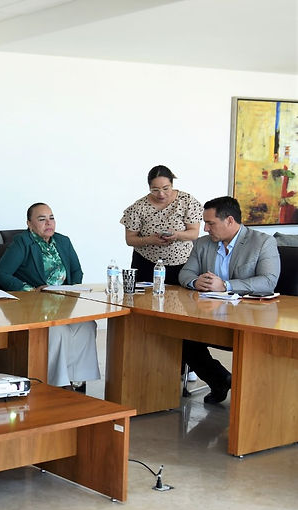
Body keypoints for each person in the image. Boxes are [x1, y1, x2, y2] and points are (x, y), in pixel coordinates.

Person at [178, 196, 280, 404]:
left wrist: (226, 285)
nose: (205, 228)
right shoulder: (202, 244)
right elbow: (185, 273)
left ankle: (255, 402)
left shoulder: (262, 242)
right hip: (208, 314)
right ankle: (220, 379)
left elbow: (268, 281)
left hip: (249, 318)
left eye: (211, 223)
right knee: (180, 334)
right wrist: (196, 281)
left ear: (230, 221)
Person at [0, 202, 99, 391]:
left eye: (51, 218)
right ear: (29, 223)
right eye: (41, 219)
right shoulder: (23, 242)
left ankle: (79, 379)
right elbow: (1, 274)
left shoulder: (63, 241)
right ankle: (59, 382)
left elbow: (76, 271)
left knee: (87, 325)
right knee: (56, 330)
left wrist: (73, 291)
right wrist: (31, 290)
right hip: (34, 306)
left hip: (64, 302)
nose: (48, 223)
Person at [120, 165, 203, 283]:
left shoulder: (187, 201)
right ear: (149, 187)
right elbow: (130, 239)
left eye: (166, 188)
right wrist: (150, 240)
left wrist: (176, 235)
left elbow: (194, 233)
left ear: (172, 184)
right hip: (146, 263)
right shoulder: (139, 207)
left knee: (182, 300)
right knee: (144, 300)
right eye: (155, 190)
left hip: (182, 264)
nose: (161, 194)